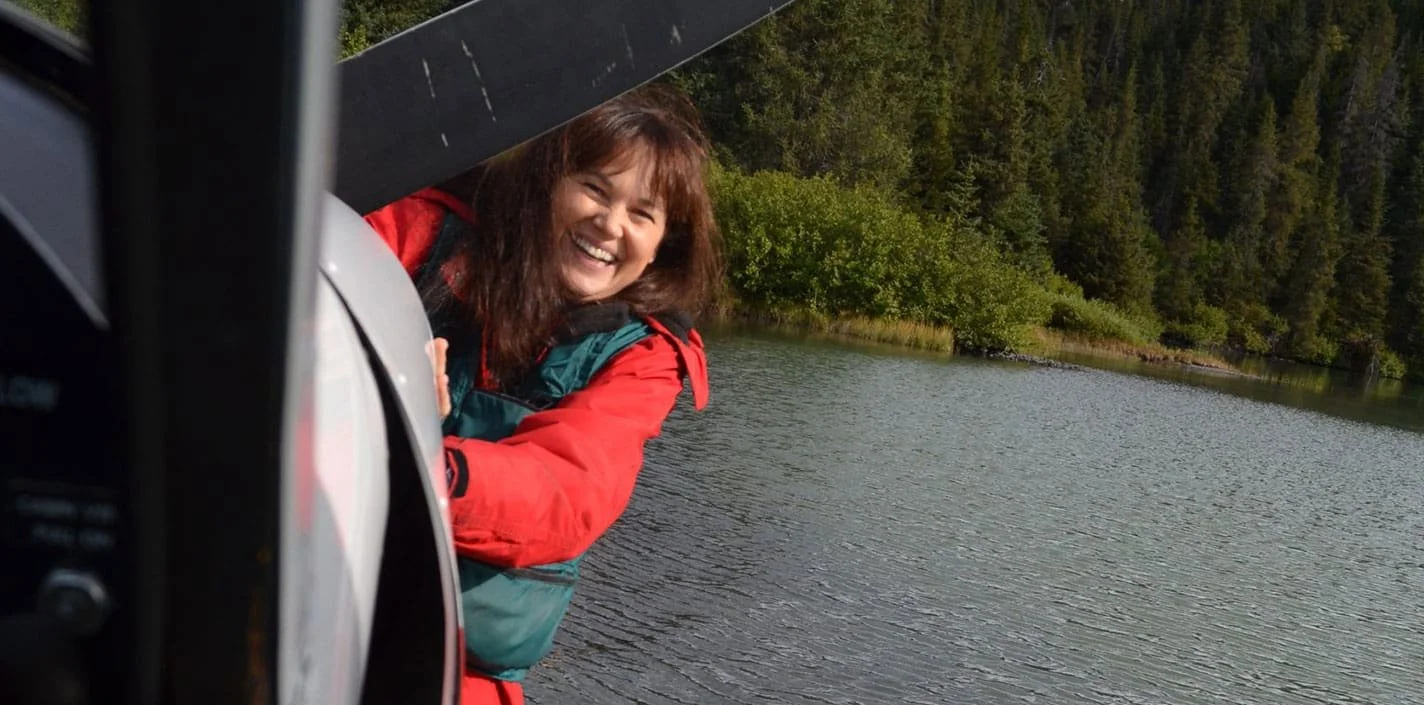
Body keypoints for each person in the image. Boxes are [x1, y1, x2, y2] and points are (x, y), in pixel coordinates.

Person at [363, 83, 719, 705]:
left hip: (460, 670)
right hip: (312, 588)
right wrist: (371, 379)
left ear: (666, 242)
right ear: (546, 182)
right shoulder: (425, 230)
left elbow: (567, 490)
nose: (610, 225)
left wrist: (426, 462)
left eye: (643, 214)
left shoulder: (645, 356)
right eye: (595, 188)